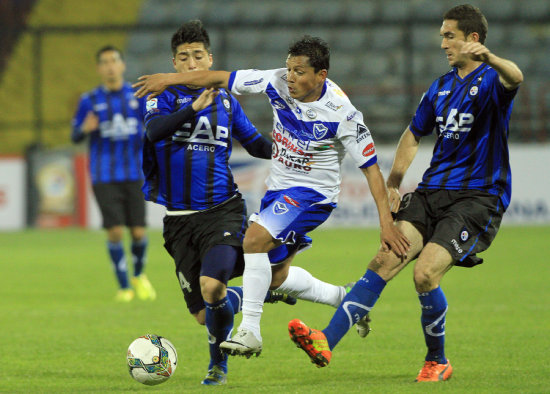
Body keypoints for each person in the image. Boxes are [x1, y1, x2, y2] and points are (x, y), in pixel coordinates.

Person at [286, 4, 523, 382]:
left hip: (477, 197)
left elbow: (516, 77)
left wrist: (491, 58)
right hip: (431, 194)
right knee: (384, 259)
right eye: (442, 35)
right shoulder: (441, 86)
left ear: (472, 39)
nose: (442, 42)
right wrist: (395, 180)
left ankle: (438, 361)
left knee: (426, 273)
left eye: (450, 35)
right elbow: (414, 133)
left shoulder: (492, 80)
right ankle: (326, 339)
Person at [134, 34, 410, 358]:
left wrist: (386, 224)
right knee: (276, 276)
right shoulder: (275, 81)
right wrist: (169, 80)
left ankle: (250, 330)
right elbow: (219, 77)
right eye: (288, 69)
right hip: (278, 188)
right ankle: (346, 298)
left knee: (254, 240)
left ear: (321, 75)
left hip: (312, 194)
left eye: (299, 72)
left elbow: (372, 172)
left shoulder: (343, 115)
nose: (290, 78)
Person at [72, 45, 156, 302]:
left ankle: (138, 275)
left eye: (114, 61)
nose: (110, 66)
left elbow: (154, 125)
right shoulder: (89, 100)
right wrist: (84, 128)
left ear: (122, 65)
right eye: (105, 62)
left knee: (139, 232)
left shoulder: (137, 96)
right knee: (115, 231)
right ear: (99, 69)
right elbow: (75, 135)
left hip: (134, 172)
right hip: (104, 175)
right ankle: (124, 288)